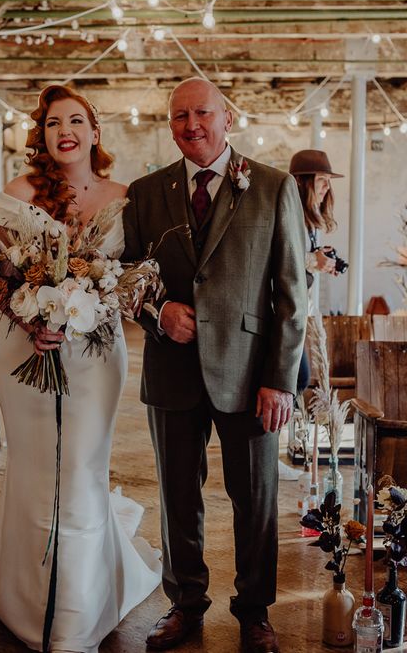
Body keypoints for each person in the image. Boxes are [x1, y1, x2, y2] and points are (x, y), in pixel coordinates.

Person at [0, 85, 161, 653]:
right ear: (42, 134)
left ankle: (74, 613)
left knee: (79, 468)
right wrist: (32, 320)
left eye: (76, 121)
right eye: (54, 123)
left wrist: (97, 303)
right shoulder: (19, 192)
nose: (65, 132)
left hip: (95, 353)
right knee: (32, 468)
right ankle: (23, 596)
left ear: (95, 132)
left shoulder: (127, 196)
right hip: (24, 349)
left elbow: (139, 277)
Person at [122, 78, 307, 653]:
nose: (191, 125)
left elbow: (292, 294)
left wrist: (280, 379)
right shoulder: (146, 192)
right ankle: (185, 604)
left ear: (228, 118)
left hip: (252, 372)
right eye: (179, 116)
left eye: (202, 113)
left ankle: (254, 611)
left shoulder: (274, 187)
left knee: (255, 495)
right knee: (178, 492)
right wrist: (158, 313)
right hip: (172, 367)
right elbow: (126, 279)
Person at [289, 148, 345, 392]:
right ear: (302, 182)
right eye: (322, 180)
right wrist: (314, 260)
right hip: (285, 313)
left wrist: (321, 259)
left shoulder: (310, 222)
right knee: (299, 378)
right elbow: (282, 258)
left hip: (301, 312)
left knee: (299, 379)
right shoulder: (290, 215)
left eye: (329, 182)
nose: (327, 188)